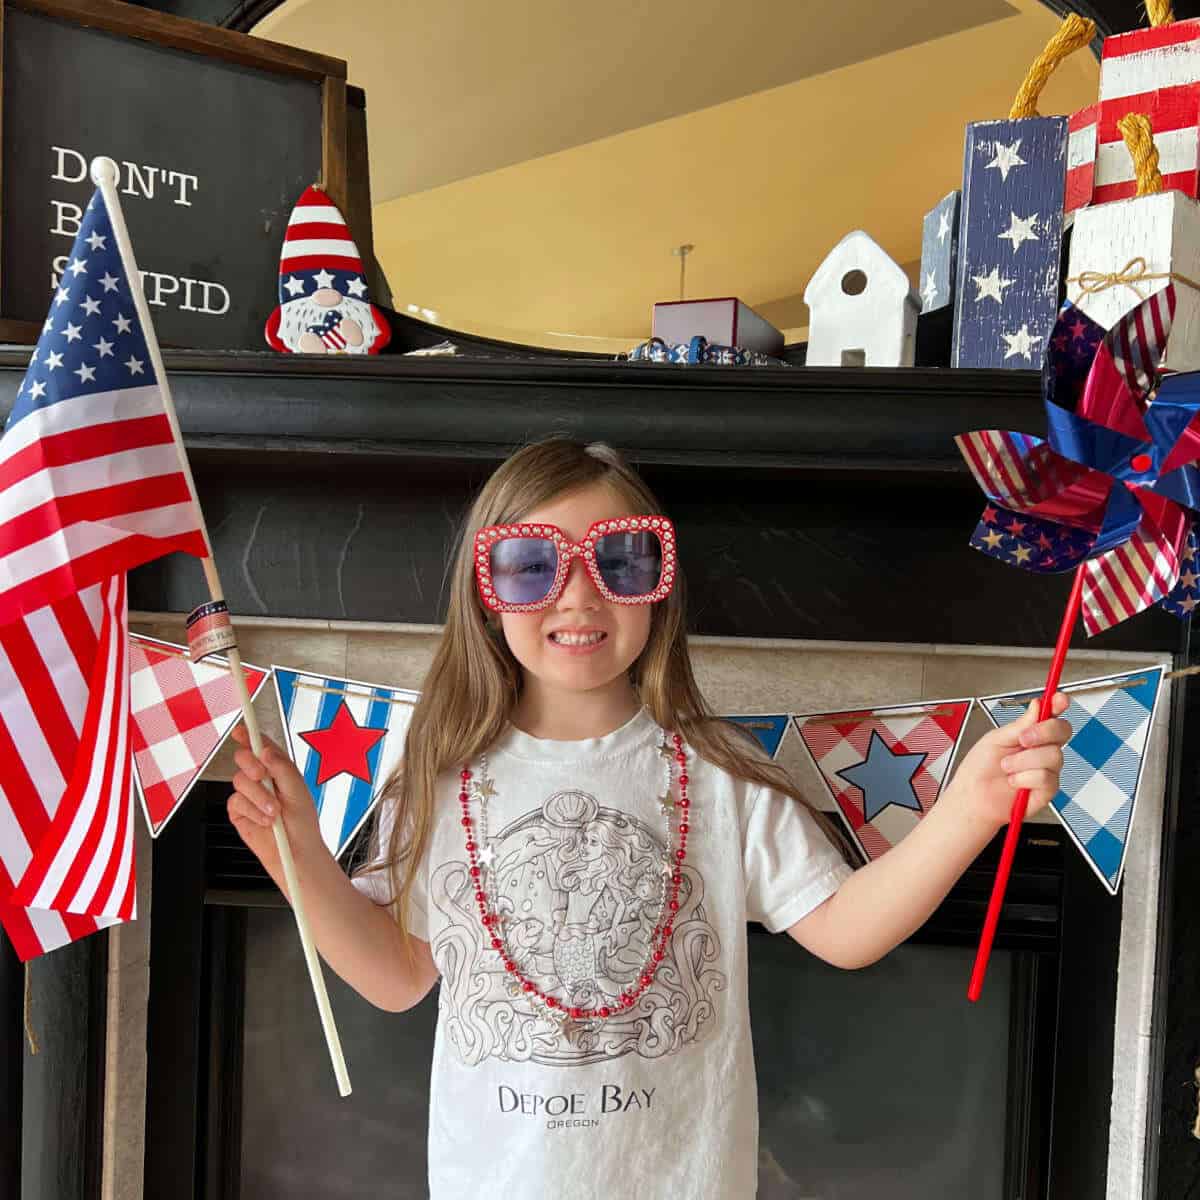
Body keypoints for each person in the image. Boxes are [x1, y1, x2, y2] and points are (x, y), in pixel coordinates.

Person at [227, 435, 1070, 1199]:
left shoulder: (719, 770)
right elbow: (395, 976)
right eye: (531, 567)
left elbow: (847, 930)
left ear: (659, 589)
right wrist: (295, 857)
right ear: (487, 594)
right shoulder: (437, 776)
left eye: (621, 562)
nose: (578, 598)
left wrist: (971, 809)